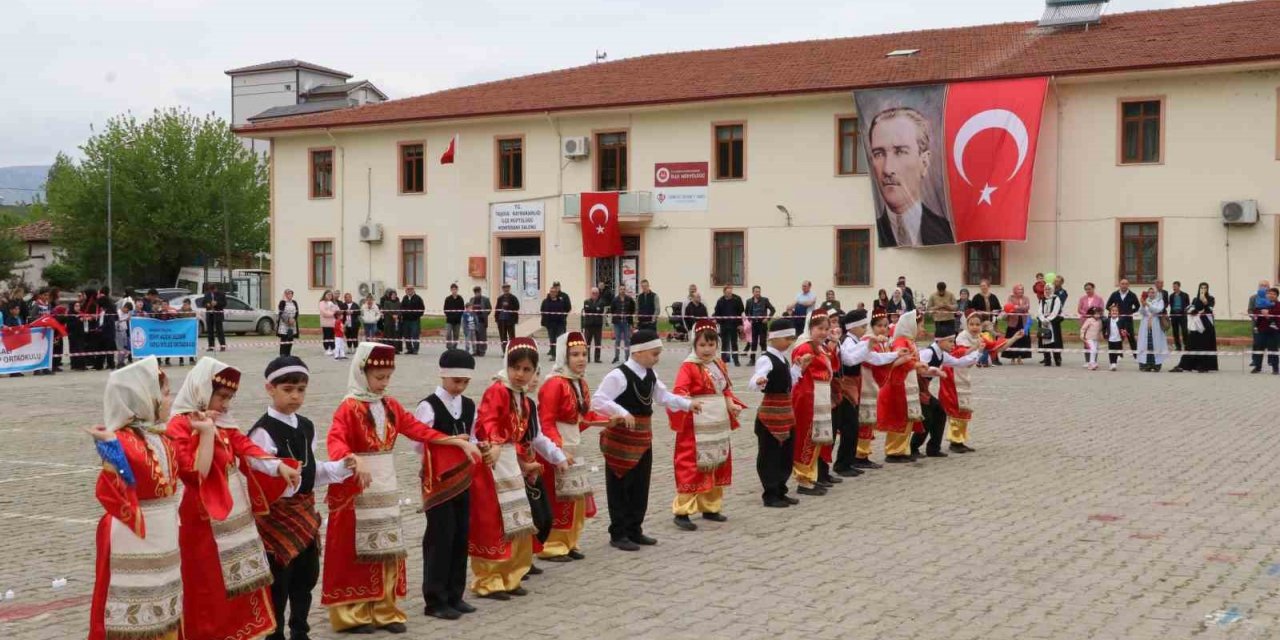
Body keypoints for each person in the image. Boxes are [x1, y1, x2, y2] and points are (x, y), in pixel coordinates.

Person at [322, 343, 481, 633]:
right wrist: (352, 458)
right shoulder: (348, 407)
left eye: (387, 377)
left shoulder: (390, 405)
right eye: (378, 377)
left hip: (385, 484)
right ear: (361, 373)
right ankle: (353, 614)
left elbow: (418, 429)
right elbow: (335, 441)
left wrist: (455, 441)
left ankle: (385, 610)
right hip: (359, 487)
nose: (384, 383)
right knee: (356, 549)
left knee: (388, 547)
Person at [166, 358, 302, 640]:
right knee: (208, 581)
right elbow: (192, 472)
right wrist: (205, 433)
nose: (225, 404)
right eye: (221, 396)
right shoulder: (180, 425)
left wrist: (278, 466)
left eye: (230, 398)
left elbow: (244, 445)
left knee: (234, 579)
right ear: (202, 390)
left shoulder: (223, 422)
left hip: (233, 511)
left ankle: (233, 632)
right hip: (201, 515)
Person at [248, 356, 362, 640]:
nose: (295, 396)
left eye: (301, 390)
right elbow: (259, 478)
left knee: (306, 578)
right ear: (270, 389)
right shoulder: (262, 432)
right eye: (288, 390)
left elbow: (311, 470)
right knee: (278, 583)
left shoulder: (306, 426)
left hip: (305, 514)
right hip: (277, 518)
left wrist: (341, 467)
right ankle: (275, 634)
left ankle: (300, 631)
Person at [85, 358, 183, 640]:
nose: (170, 400)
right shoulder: (122, 439)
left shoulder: (161, 437)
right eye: (165, 394)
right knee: (135, 606)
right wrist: (112, 452)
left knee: (165, 602)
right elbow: (111, 490)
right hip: (134, 535)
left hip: (163, 533)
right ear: (144, 396)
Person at [468, 337, 565, 598]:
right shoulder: (498, 390)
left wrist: (525, 461)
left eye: (527, 369)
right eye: (515, 368)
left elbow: (522, 436)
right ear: (507, 365)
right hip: (494, 459)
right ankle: (490, 579)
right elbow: (488, 421)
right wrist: (496, 443)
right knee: (496, 520)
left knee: (518, 518)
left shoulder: (521, 396)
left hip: (511, 461)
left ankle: (511, 575)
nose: (520, 374)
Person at [591, 329, 700, 550]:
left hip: (642, 438)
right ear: (638, 352)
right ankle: (618, 533)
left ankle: (635, 529)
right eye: (654, 354)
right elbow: (598, 400)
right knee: (620, 486)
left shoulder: (650, 375)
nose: (657, 358)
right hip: (621, 440)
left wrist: (688, 404)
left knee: (641, 485)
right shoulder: (618, 375)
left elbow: (663, 397)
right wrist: (622, 412)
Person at [412, 349, 481, 619]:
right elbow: (419, 442)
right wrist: (446, 449)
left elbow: (473, 437)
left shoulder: (469, 405)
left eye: (465, 382)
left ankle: (455, 594)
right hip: (437, 480)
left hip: (463, 479)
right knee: (440, 537)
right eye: (456, 381)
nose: (460, 386)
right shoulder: (428, 406)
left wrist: (480, 446)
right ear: (443, 376)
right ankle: (435, 599)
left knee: (461, 535)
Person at [537, 332, 612, 562]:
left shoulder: (579, 382)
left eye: (583, 354)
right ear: (564, 356)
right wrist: (557, 449)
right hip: (555, 448)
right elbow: (546, 421)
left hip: (573, 445)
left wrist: (610, 419)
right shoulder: (554, 384)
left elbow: (584, 416)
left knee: (575, 497)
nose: (581, 359)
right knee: (559, 498)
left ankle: (569, 541)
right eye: (575, 354)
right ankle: (552, 545)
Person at [667, 320, 746, 531]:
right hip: (696, 422)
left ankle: (710, 506)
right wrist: (688, 401)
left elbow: (725, 389)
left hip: (717, 421)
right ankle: (683, 510)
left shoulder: (718, 364)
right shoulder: (688, 366)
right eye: (702, 345)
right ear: (694, 344)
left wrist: (731, 404)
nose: (707, 349)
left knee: (717, 461)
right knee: (693, 464)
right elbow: (679, 390)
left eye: (711, 345)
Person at [868, 107, 955, 247]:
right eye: (878, 154)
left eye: (900, 152)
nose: (887, 169)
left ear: (924, 162)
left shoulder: (949, 232)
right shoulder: (867, 232)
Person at [833, 309, 900, 475]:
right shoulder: (848, 341)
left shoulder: (856, 341)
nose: (865, 329)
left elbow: (873, 358)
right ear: (852, 327)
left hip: (855, 385)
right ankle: (843, 464)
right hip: (847, 386)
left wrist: (896, 354)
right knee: (849, 426)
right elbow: (851, 360)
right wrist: (869, 345)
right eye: (862, 326)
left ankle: (848, 462)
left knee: (853, 427)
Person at [748, 319, 805, 507]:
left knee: (785, 454)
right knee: (769, 455)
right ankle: (770, 494)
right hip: (770, 414)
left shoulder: (782, 358)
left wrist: (797, 368)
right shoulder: (766, 359)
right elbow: (756, 378)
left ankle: (781, 489)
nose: (789, 342)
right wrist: (759, 381)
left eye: (791, 338)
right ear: (774, 338)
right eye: (787, 338)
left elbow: (788, 382)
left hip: (786, 412)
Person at [944, 315, 1020, 453]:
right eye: (971, 324)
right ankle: (955, 441)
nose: (975, 327)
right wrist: (976, 347)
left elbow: (996, 347)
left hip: (963, 375)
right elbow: (961, 354)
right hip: (952, 375)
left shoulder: (980, 337)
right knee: (957, 408)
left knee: (964, 408)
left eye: (977, 324)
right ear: (967, 325)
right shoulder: (961, 338)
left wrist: (1014, 338)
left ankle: (959, 440)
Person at [916, 324, 983, 457]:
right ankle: (913, 448)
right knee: (927, 418)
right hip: (916, 389)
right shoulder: (928, 353)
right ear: (939, 341)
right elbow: (916, 368)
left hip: (924, 389)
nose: (953, 344)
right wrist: (934, 371)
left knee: (940, 412)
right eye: (950, 341)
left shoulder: (943, 355)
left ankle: (933, 448)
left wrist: (978, 352)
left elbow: (959, 362)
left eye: (953, 341)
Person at [789, 312, 836, 495]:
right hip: (808, 398)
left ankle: (811, 476)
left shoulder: (819, 347)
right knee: (806, 437)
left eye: (826, 328)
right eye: (819, 328)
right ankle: (803, 479)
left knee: (816, 438)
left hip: (819, 397)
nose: (823, 332)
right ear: (810, 328)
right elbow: (799, 373)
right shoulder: (804, 347)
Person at [877, 310, 932, 463]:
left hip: (909, 381)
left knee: (908, 417)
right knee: (900, 416)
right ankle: (894, 451)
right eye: (920, 326)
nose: (922, 329)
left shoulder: (909, 341)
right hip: (899, 383)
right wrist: (915, 364)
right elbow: (899, 360)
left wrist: (918, 366)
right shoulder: (901, 341)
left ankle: (902, 449)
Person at [1173, 283, 1218, 373]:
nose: (1203, 289)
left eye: (1205, 288)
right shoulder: (1195, 299)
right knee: (1191, 345)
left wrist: (1204, 301)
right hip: (1196, 325)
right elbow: (1192, 309)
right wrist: (1192, 311)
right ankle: (1184, 365)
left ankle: (1203, 366)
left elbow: (1209, 309)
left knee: (1204, 346)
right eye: (1202, 288)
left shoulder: (1211, 298)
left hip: (1206, 326)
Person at [1136, 288, 1169, 372]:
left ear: (1156, 293)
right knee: (1145, 344)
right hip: (1145, 323)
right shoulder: (1145, 300)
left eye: (1153, 292)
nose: (1151, 294)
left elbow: (1157, 310)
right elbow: (1141, 312)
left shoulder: (1160, 301)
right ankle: (1145, 364)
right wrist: (1143, 305)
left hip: (1156, 323)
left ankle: (1156, 364)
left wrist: (1147, 304)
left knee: (1156, 344)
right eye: (1149, 292)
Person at [1250, 287, 1280, 374]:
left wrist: (1268, 313)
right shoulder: (1260, 303)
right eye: (1269, 293)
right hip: (1261, 330)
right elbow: (1255, 312)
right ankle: (1257, 367)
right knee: (1258, 347)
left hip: (1274, 331)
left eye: (1274, 294)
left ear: (1277, 296)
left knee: (1273, 349)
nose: (1271, 295)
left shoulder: (1278, 305)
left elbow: (1277, 313)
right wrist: (1262, 312)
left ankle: (1275, 368)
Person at [713, 285, 744, 366]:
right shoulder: (720, 301)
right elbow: (717, 313)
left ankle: (736, 360)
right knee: (724, 343)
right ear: (724, 293)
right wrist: (718, 321)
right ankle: (724, 360)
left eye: (731, 292)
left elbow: (740, 312)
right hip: (724, 325)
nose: (730, 294)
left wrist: (740, 324)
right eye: (728, 293)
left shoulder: (737, 299)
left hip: (734, 325)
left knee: (734, 343)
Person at [1107, 280, 1141, 354]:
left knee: (1131, 338)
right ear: (1119, 285)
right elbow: (1107, 306)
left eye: (1126, 284)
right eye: (1122, 284)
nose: (1124, 285)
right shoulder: (1114, 294)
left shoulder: (1132, 295)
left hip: (1128, 320)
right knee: (1117, 338)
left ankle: (1136, 355)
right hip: (1117, 321)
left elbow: (1138, 306)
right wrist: (1114, 312)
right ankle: (1118, 355)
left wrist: (1130, 311)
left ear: (1128, 285)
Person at [744, 285, 775, 364]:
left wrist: (767, 318)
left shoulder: (765, 300)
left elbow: (773, 310)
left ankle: (765, 360)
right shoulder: (749, 301)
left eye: (759, 291)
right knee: (753, 343)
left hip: (762, 324)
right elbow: (746, 312)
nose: (758, 293)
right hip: (754, 324)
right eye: (756, 292)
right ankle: (752, 360)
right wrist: (750, 319)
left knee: (762, 342)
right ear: (753, 292)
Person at [540, 282, 572, 358]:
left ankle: (560, 355)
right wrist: (545, 321)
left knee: (560, 339)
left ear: (557, 293)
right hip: (550, 324)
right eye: (551, 292)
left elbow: (566, 308)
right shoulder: (545, 301)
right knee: (552, 340)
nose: (553, 293)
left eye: (554, 292)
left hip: (560, 324)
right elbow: (542, 311)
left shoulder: (561, 300)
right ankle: (553, 355)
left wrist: (564, 317)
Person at [612, 285, 637, 364]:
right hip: (617, 323)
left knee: (627, 340)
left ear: (625, 290)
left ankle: (627, 357)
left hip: (626, 322)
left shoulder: (629, 299)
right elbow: (612, 310)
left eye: (623, 289)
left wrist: (630, 318)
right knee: (617, 340)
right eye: (621, 289)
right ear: (619, 290)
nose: (622, 290)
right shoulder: (615, 300)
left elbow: (633, 309)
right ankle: (616, 357)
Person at [581, 287, 607, 363]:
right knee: (587, 343)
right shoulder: (586, 301)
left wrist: (593, 309)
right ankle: (587, 358)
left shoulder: (601, 302)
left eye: (596, 293)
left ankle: (597, 358)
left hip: (597, 325)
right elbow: (587, 310)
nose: (594, 294)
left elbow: (600, 311)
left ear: (598, 294)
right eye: (593, 293)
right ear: (591, 294)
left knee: (598, 343)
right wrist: (596, 309)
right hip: (588, 325)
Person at [495, 283, 520, 353]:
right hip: (501, 320)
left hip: (510, 320)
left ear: (509, 289)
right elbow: (497, 309)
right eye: (504, 288)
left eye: (507, 288)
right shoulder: (500, 298)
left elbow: (517, 307)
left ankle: (512, 351)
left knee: (512, 337)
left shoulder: (513, 298)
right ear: (502, 289)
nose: (506, 289)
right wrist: (496, 319)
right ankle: (505, 352)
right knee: (503, 337)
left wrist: (508, 306)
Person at [201, 284, 227, 353]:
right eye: (211, 290)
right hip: (209, 314)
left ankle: (222, 345)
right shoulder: (207, 294)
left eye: (213, 290)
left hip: (218, 314)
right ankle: (211, 346)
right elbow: (203, 303)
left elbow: (224, 304)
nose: (212, 292)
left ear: (216, 288)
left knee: (219, 330)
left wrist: (217, 303)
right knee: (210, 331)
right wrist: (207, 304)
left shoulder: (221, 294)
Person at [400, 286, 425, 355]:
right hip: (406, 320)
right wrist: (403, 314)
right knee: (406, 335)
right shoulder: (405, 298)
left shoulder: (418, 298)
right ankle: (409, 349)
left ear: (413, 290)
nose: (409, 291)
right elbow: (401, 308)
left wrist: (416, 315)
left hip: (414, 320)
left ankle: (415, 349)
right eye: (407, 289)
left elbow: (422, 309)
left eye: (410, 289)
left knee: (415, 334)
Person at [97, 287, 117, 370]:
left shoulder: (109, 312)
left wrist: (101, 327)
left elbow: (109, 323)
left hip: (108, 333)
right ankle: (99, 365)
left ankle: (110, 364)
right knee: (101, 349)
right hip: (103, 333)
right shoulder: (103, 311)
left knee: (109, 349)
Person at [1168, 281, 1190, 352]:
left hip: (1182, 315)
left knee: (1184, 331)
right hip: (1174, 315)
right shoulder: (1171, 296)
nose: (1174, 288)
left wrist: (1185, 311)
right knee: (1175, 331)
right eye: (1173, 286)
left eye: (1175, 286)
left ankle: (1186, 345)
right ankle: (1178, 346)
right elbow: (1171, 304)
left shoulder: (1185, 295)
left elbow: (1188, 305)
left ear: (1179, 286)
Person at [441, 284, 465, 350]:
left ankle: (454, 346)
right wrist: (449, 315)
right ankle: (449, 346)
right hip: (449, 320)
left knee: (456, 334)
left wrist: (458, 316)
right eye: (453, 289)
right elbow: (445, 309)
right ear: (451, 290)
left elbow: (462, 309)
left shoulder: (460, 299)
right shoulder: (448, 299)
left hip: (457, 320)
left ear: (457, 290)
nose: (454, 291)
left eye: (455, 289)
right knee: (448, 333)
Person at [276, 289, 300, 357]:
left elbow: (297, 312)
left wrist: (294, 319)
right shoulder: (282, 302)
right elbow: (281, 312)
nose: (290, 295)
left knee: (290, 340)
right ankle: (282, 355)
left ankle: (288, 354)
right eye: (288, 294)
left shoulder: (294, 302)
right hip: (284, 325)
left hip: (292, 325)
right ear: (285, 295)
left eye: (291, 294)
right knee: (284, 340)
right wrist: (288, 320)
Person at [318, 291, 338, 355]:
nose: (329, 296)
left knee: (332, 336)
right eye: (328, 294)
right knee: (326, 336)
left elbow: (337, 309)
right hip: (325, 323)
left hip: (332, 323)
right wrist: (332, 313)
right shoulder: (322, 303)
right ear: (325, 295)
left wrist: (333, 307)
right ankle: (327, 349)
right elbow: (324, 313)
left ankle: (333, 348)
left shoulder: (333, 303)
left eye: (331, 295)